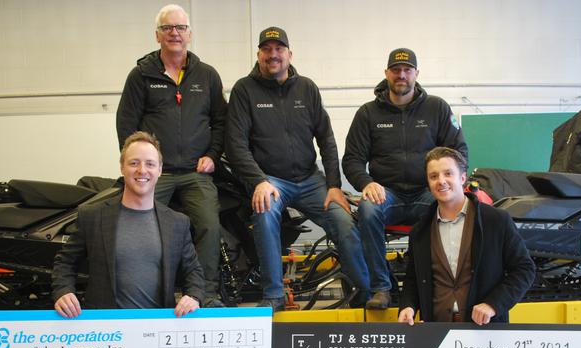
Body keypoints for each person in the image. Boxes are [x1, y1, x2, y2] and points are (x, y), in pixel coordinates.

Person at [225, 26, 369, 311]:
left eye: (279, 49)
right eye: (267, 50)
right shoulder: (244, 90)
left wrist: (334, 185)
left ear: (289, 54)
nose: (273, 55)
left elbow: (326, 139)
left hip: (310, 179)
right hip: (270, 181)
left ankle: (365, 291)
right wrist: (258, 181)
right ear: (258, 55)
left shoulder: (307, 88)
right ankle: (274, 294)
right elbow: (235, 145)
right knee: (265, 214)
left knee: (343, 221)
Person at [116, 4, 226, 307]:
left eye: (180, 27)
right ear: (157, 35)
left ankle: (205, 294)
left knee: (209, 225)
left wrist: (213, 155)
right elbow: (126, 124)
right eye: (167, 28)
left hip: (195, 172)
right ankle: (145, 293)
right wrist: (138, 166)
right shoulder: (140, 76)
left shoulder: (207, 75)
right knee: (139, 226)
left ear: (189, 34)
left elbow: (221, 121)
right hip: (155, 175)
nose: (174, 33)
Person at [342, 48, 468, 310]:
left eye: (407, 70)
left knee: (455, 208)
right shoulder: (367, 113)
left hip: (428, 192)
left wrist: (446, 182)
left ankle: (442, 284)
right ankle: (381, 288)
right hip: (387, 194)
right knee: (368, 209)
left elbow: (459, 152)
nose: (401, 75)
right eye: (396, 70)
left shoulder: (437, 108)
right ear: (386, 73)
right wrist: (366, 183)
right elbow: (352, 159)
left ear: (416, 74)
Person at [52, 131, 204, 321]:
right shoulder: (92, 216)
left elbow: (193, 271)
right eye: (134, 163)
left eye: (150, 164)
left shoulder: (177, 223)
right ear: (122, 167)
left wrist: (193, 296)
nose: (142, 170)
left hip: (157, 328)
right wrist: (63, 291)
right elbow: (65, 262)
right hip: (106, 330)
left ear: (159, 170)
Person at [398, 147, 535, 325]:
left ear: (462, 178)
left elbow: (524, 269)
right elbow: (413, 279)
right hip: (436, 331)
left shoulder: (496, 220)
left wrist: (493, 304)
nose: (441, 181)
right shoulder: (419, 231)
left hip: (485, 331)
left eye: (448, 173)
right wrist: (408, 306)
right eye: (433, 176)